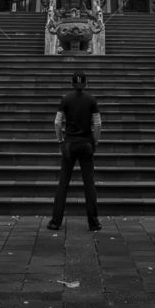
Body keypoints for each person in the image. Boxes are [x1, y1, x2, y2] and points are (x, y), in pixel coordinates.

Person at [47, 70, 102, 231]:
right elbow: (98, 124)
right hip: (86, 145)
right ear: (85, 83)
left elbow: (57, 123)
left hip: (69, 145)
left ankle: (56, 222)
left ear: (72, 83)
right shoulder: (91, 100)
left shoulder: (65, 99)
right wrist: (95, 142)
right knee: (89, 184)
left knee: (63, 184)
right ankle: (94, 222)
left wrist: (60, 141)